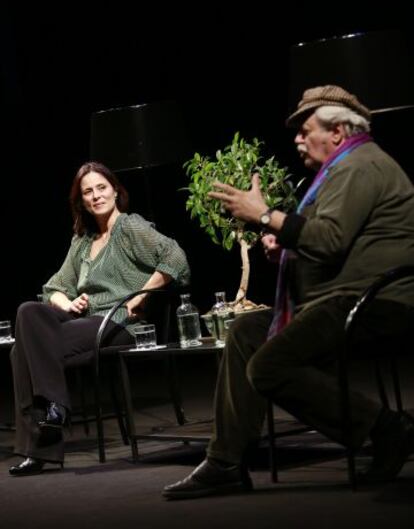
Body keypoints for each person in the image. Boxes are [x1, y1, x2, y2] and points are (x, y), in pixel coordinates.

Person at [163, 84, 414, 499]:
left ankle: (387, 429)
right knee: (245, 333)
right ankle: (226, 461)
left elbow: (330, 240)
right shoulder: (338, 171)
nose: (298, 139)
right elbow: (320, 241)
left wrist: (266, 215)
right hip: (337, 298)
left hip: (374, 302)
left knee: (268, 366)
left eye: (305, 129)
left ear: (337, 132)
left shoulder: (361, 166)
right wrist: (283, 244)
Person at [9, 161, 190, 476]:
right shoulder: (82, 242)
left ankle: (40, 446)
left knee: (21, 350)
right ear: (81, 200)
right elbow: (52, 288)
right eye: (88, 192)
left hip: (119, 322)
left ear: (116, 190)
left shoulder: (129, 227)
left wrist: (142, 294)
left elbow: (176, 258)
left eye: (101, 188)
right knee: (28, 311)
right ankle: (56, 408)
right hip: (85, 322)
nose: (96, 196)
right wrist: (66, 303)